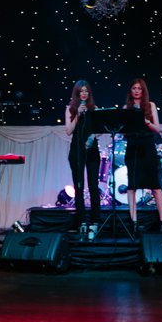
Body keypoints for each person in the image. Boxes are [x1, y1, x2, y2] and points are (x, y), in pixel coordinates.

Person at [123, 79, 162, 233]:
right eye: (134, 88)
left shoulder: (150, 105)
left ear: (143, 91)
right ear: (130, 90)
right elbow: (122, 131)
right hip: (133, 148)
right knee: (132, 186)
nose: (136, 91)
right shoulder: (126, 108)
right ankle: (133, 222)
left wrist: (147, 121)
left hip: (147, 147)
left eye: (139, 88)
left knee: (155, 185)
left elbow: (157, 129)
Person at [65, 80, 102, 241]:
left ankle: (95, 221)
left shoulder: (94, 109)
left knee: (94, 186)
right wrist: (78, 116)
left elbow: (100, 129)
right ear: (77, 93)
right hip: (77, 150)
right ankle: (82, 221)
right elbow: (68, 131)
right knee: (78, 186)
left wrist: (93, 137)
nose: (84, 94)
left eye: (86, 91)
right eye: (81, 91)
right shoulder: (70, 109)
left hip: (92, 149)